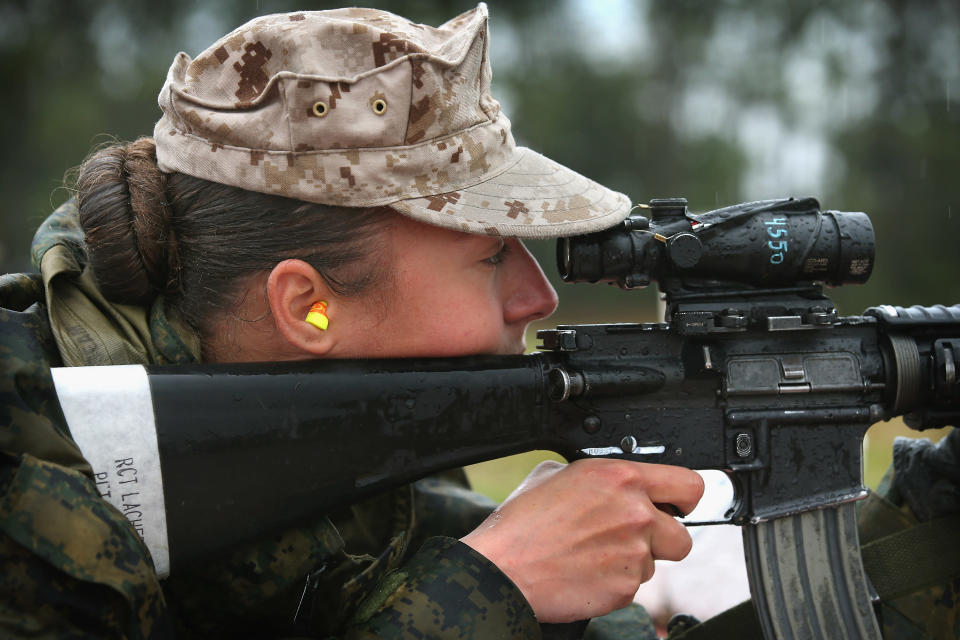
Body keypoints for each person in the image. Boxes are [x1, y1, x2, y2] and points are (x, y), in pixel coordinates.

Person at [0, 5, 704, 639]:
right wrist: (496, 583)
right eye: (491, 258)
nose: (538, 297)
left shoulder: (348, 451)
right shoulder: (21, 473)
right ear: (308, 305)